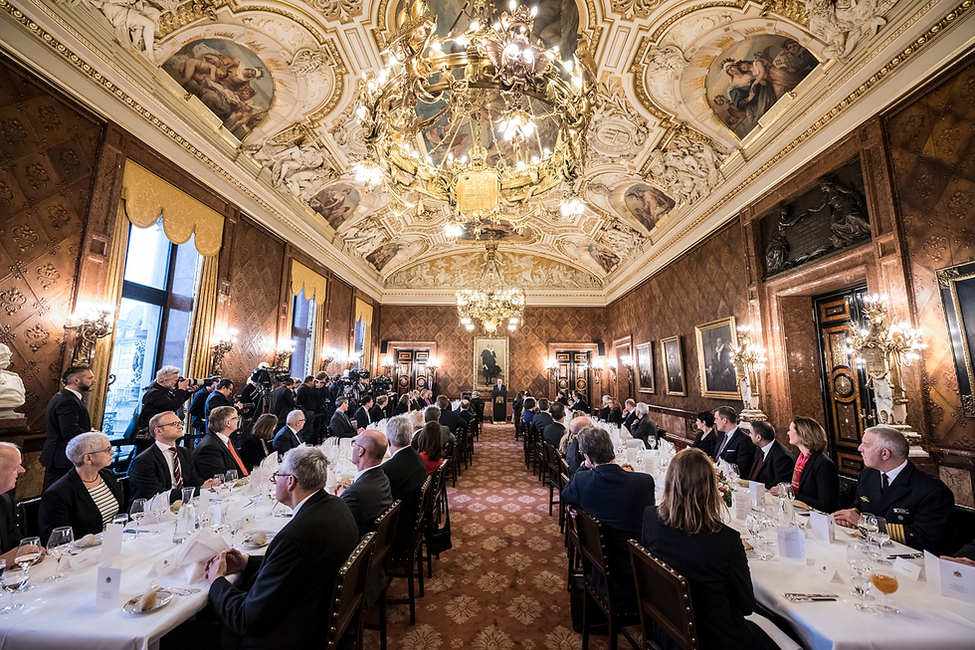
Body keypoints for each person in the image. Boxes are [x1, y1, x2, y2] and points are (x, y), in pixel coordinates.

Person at [205, 446, 359, 649]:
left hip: (293, 635)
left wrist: (216, 581)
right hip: (319, 616)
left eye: (277, 475)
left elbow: (246, 619)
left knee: (186, 634)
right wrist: (247, 563)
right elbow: (300, 564)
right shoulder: (336, 505)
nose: (274, 480)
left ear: (290, 481)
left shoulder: (296, 536)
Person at [641, 448, 777, 650]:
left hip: (668, 629)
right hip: (714, 639)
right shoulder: (726, 540)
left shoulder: (651, 517)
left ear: (670, 481)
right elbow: (747, 605)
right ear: (710, 487)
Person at [563, 427, 656, 602]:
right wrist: (628, 476)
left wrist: (585, 465)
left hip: (600, 570)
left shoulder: (582, 480)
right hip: (637, 571)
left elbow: (565, 495)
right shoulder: (644, 481)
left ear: (588, 457)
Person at [834, 426, 954, 553]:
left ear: (885, 454)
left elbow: (925, 536)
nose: (859, 449)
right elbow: (860, 504)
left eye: (866, 445)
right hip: (868, 547)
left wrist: (864, 523)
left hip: (906, 557)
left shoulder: (932, 490)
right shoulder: (868, 475)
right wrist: (850, 516)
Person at [38, 431, 122, 541]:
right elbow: (59, 539)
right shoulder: (58, 493)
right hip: (84, 552)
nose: (112, 452)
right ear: (88, 458)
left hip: (114, 542)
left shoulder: (108, 476)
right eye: (107, 450)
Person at [128, 411, 218, 502]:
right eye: (174, 424)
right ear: (158, 431)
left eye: (180, 423)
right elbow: (158, 495)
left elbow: (193, 480)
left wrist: (207, 485)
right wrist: (201, 489)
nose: (180, 426)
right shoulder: (143, 461)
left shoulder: (184, 452)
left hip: (184, 503)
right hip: (155, 508)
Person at [41, 366, 94, 488]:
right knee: (58, 494)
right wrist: (92, 436)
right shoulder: (68, 400)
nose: (93, 381)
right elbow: (70, 431)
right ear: (76, 380)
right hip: (62, 457)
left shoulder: (64, 396)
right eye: (90, 378)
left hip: (61, 455)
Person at [771, 417, 838, 512]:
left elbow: (825, 504)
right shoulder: (801, 458)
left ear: (802, 434)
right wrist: (784, 489)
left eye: (790, 430)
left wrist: (789, 494)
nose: (788, 433)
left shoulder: (823, 464)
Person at [381, 416, 427, 552]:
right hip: (411, 522)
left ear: (388, 442)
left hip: (397, 531)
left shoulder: (388, 470)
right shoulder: (417, 457)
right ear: (411, 436)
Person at [336, 430, 393, 538]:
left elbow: (335, 525)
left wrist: (339, 499)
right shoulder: (382, 477)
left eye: (354, 444)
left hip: (356, 548)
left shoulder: (356, 492)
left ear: (361, 451)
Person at [138, 366, 199, 453]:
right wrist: (181, 389)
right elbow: (172, 405)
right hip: (150, 435)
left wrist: (187, 393)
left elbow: (174, 402)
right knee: (144, 458)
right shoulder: (154, 392)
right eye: (175, 380)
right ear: (165, 381)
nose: (177, 382)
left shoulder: (163, 390)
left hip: (158, 432)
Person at [193, 406, 249, 480]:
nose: (238, 420)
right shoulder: (210, 447)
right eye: (236, 418)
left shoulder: (226, 440)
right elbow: (220, 478)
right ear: (228, 423)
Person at [0, 442, 31, 562]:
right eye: (15, 467)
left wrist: (27, 553)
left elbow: (15, 545)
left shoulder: (5, 502)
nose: (22, 470)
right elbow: (10, 557)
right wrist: (4, 561)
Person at [746, 420, 796, 489]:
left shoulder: (782, 457)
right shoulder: (760, 449)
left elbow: (780, 485)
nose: (749, 435)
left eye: (751, 433)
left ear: (758, 437)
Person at [713, 406, 757, 476]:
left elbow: (742, 468)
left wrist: (716, 466)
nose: (715, 422)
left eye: (716, 419)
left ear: (725, 420)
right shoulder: (721, 435)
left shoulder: (744, 440)